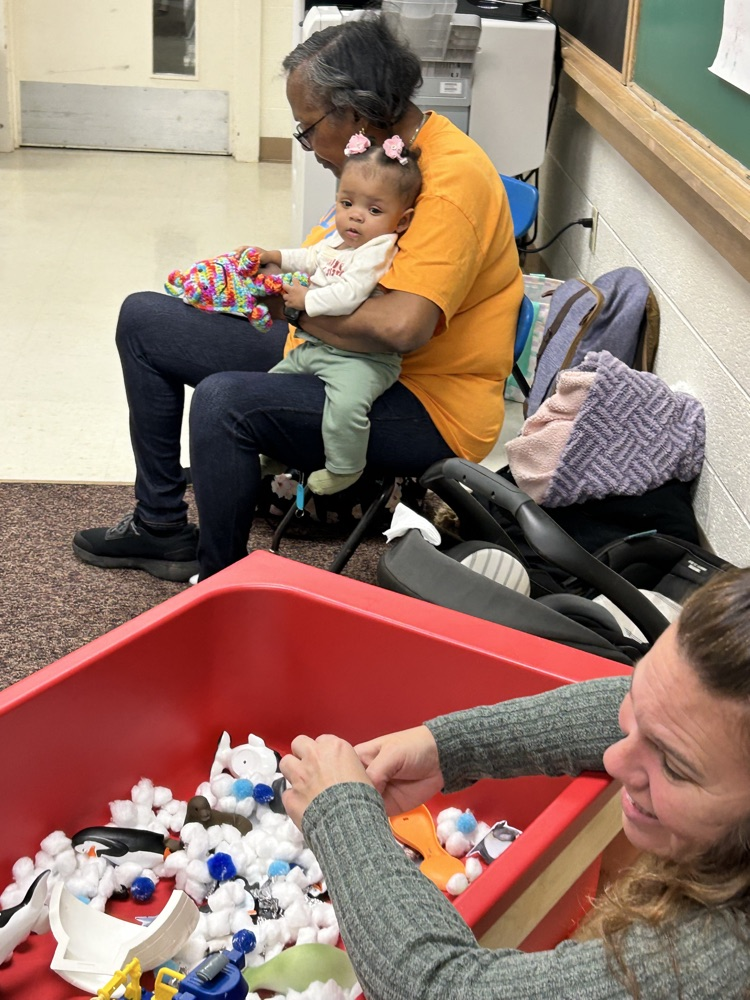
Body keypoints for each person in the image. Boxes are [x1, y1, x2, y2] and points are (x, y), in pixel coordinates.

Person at [72, 15, 522, 582]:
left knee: (222, 402)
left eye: (307, 128)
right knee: (144, 319)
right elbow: (322, 269)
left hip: (422, 399)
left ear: (354, 113)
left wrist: (290, 306)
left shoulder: (450, 180)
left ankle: (223, 586)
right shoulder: (378, 164)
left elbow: (402, 327)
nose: (306, 145)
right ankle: (159, 526)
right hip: (333, 351)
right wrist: (264, 281)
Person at [280, 568, 750, 999]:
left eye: (673, 765)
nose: (615, 759)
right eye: (638, 699)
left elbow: (441, 988)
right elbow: (650, 707)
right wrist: (447, 748)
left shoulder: (719, 963)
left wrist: (342, 819)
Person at [258, 135, 422, 496]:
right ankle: (274, 454)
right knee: (271, 386)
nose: (356, 216)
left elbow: (349, 296)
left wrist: (305, 300)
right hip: (319, 345)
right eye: (347, 203)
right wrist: (275, 255)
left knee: (345, 409)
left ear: (402, 219)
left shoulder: (378, 251)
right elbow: (311, 257)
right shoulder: (342, 240)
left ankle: (346, 468)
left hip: (362, 360)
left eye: (374, 211)